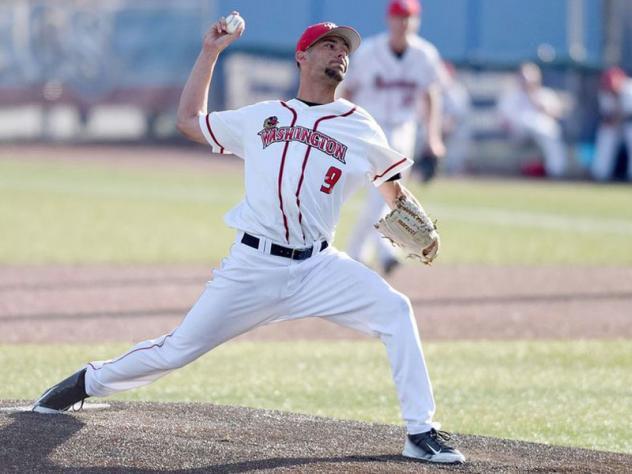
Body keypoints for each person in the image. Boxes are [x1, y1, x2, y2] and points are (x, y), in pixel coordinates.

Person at [31, 13, 465, 465]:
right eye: (329, 45)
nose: (340, 52)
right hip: (253, 267)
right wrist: (210, 52)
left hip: (319, 267)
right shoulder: (264, 117)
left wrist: (415, 223)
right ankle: (86, 381)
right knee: (176, 350)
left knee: (396, 310)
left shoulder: (359, 124)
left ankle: (420, 431)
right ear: (303, 56)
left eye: (345, 48)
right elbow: (188, 120)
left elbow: (391, 187)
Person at [342, 0, 446, 275]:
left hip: (403, 129)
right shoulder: (370, 52)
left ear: (417, 21)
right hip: (369, 128)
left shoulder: (425, 54)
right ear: (389, 20)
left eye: (409, 18)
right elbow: (348, 90)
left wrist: (433, 137)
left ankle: (364, 252)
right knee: (382, 194)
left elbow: (431, 96)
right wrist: (341, 124)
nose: (403, 23)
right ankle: (374, 252)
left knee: (386, 195)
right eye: (399, 17)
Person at [497, 62, 568, 178]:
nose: (527, 82)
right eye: (524, 79)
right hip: (518, 132)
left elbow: (558, 114)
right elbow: (502, 118)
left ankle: (556, 172)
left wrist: (540, 105)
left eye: (530, 79)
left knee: (550, 131)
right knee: (528, 121)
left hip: (542, 131)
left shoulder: (545, 94)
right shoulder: (511, 95)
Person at [591, 66, 632, 182]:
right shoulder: (605, 92)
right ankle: (600, 173)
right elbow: (608, 116)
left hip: (630, 123)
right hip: (617, 124)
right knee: (606, 134)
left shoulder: (629, 89)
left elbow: (627, 114)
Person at [440, 62, 472, 176]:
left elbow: (456, 117)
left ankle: (456, 172)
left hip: (456, 130)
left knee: (459, 138)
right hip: (435, 129)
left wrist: (444, 128)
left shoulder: (458, 91)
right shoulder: (432, 88)